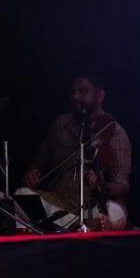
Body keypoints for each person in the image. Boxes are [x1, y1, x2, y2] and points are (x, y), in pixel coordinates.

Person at [20, 75, 132, 230]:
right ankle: (77, 226)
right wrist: (32, 173)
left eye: (83, 91)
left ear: (100, 96)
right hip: (60, 204)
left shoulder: (115, 132)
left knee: (114, 212)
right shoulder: (61, 124)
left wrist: (100, 186)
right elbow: (39, 162)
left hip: (94, 206)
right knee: (22, 193)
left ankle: (73, 225)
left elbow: (122, 187)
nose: (75, 97)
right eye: (73, 92)